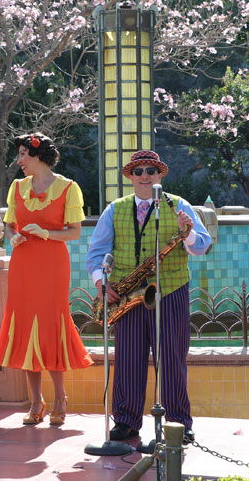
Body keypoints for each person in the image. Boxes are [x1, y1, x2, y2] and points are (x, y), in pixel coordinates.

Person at [86, 150, 211, 444]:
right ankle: (127, 422)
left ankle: (178, 423)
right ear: (130, 176)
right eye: (139, 171)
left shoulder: (180, 206)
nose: (145, 176)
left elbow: (202, 246)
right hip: (128, 294)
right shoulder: (115, 209)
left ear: (160, 175)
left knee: (171, 360)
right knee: (128, 360)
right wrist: (101, 282)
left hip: (170, 291)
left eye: (151, 170)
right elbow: (95, 252)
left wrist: (188, 233)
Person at [0, 134, 93, 426]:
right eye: (20, 154)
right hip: (24, 263)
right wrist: (13, 237)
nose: (19, 160)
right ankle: (36, 402)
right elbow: (10, 226)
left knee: (50, 324)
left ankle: (60, 398)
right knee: (24, 325)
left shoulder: (68, 188)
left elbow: (74, 232)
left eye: (24, 154)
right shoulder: (17, 187)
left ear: (39, 156)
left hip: (52, 263)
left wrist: (46, 233)